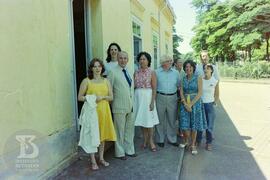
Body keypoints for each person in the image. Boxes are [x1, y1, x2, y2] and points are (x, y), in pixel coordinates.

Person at [78, 58, 116, 170]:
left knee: (102, 136)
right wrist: (92, 98)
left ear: (102, 68)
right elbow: (80, 97)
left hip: (104, 110)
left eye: (99, 66)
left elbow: (111, 97)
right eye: (95, 66)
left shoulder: (106, 81)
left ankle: (101, 158)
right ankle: (93, 160)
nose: (97, 68)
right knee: (93, 135)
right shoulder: (86, 81)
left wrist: (103, 97)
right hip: (91, 111)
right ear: (91, 68)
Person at [108, 51, 136, 160]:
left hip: (131, 105)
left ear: (127, 59)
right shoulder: (112, 72)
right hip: (119, 106)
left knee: (130, 130)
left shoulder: (129, 71)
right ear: (117, 59)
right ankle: (120, 153)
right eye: (121, 58)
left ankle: (129, 150)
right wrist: (111, 105)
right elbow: (109, 90)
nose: (123, 60)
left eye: (125, 58)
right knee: (119, 131)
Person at [179, 60, 206, 155]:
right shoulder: (183, 78)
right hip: (184, 103)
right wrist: (185, 103)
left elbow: (200, 93)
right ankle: (187, 141)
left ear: (193, 68)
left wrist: (191, 104)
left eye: (190, 67)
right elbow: (181, 91)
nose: (188, 68)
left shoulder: (198, 78)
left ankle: (193, 144)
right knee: (184, 124)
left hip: (196, 103)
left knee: (194, 124)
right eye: (186, 67)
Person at [134, 52, 159, 152]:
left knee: (149, 121)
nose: (142, 61)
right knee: (142, 120)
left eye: (144, 59)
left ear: (148, 61)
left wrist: (152, 102)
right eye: (140, 59)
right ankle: (145, 140)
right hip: (138, 98)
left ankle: (151, 141)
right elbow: (134, 86)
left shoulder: (152, 72)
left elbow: (154, 88)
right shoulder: (136, 72)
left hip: (148, 97)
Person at [155, 55, 180, 147]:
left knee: (172, 119)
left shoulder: (176, 73)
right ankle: (160, 139)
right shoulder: (156, 72)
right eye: (168, 61)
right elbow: (154, 86)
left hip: (172, 98)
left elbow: (178, 85)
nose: (171, 62)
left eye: (171, 61)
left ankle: (172, 139)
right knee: (159, 119)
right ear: (163, 62)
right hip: (160, 97)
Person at [196, 64, 219, 151]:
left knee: (209, 126)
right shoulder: (200, 80)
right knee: (200, 125)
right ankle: (198, 141)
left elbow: (217, 94)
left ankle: (208, 143)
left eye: (208, 68)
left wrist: (215, 103)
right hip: (200, 105)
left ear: (211, 71)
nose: (206, 70)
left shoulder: (215, 81)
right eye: (204, 68)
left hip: (210, 105)